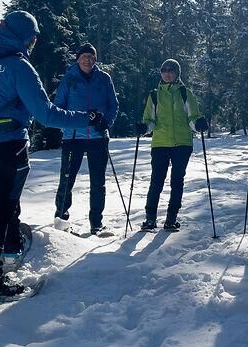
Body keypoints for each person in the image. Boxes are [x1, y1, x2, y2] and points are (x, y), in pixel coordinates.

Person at [0, 11, 106, 299]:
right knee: (0, 209)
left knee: (0, 206)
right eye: (32, 38)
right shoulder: (17, 65)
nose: (33, 44)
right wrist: (86, 119)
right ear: (23, 36)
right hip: (10, 143)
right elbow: (46, 114)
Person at [135, 59, 208, 232]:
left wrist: (198, 125)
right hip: (160, 143)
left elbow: (192, 117)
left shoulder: (185, 93)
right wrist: (144, 127)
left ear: (177, 73)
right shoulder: (154, 95)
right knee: (156, 181)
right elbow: (150, 120)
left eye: (171, 70)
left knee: (177, 182)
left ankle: (171, 219)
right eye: (163, 70)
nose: (167, 73)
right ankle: (150, 219)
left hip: (182, 144)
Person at [53, 43, 119, 234]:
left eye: (91, 56)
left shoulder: (104, 78)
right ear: (78, 59)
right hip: (73, 137)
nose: (88, 60)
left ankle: (96, 223)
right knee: (67, 179)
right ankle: (61, 219)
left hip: (98, 136)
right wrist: (70, 123)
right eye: (84, 57)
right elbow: (59, 106)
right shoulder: (70, 78)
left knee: (98, 181)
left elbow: (113, 104)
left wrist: (106, 122)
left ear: (95, 59)